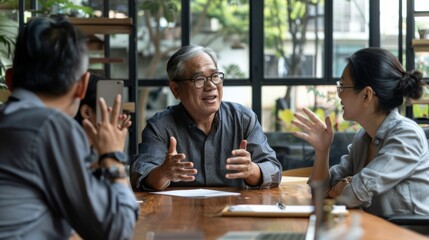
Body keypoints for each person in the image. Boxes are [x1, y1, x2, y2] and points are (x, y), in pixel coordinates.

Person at [0, 16, 139, 239]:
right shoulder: (52, 126)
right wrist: (113, 155)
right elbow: (117, 229)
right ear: (82, 86)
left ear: (10, 79)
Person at [291, 47, 429, 217]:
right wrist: (322, 150)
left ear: (366, 95)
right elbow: (322, 192)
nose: (339, 93)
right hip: (372, 230)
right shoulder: (363, 138)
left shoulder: (407, 135)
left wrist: (347, 185)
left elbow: (355, 193)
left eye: (342, 85)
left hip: (406, 234)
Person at [131, 45, 282, 191]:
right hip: (180, 214)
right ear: (176, 90)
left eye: (215, 76)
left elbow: (274, 170)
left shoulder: (243, 119)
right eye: (199, 78)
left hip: (233, 212)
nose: (211, 85)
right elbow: (140, 175)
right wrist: (163, 173)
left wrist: (251, 170)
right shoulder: (160, 126)